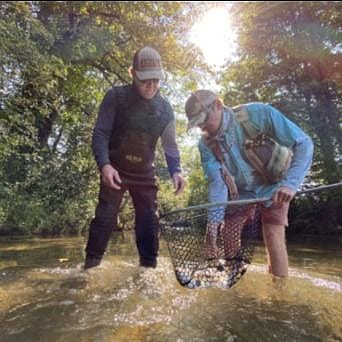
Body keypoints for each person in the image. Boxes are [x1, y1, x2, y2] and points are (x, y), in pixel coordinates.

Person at [185, 90, 313, 278]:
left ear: (218, 105)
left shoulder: (258, 113)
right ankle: (234, 287)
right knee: (227, 233)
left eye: (204, 119)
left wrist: (290, 185)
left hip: (276, 185)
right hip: (241, 193)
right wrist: (211, 230)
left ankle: (279, 296)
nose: (202, 127)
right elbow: (217, 185)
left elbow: (304, 143)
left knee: (273, 235)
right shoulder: (206, 145)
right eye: (197, 124)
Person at [84, 46, 186, 270]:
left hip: (144, 173)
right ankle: (89, 268)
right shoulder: (115, 97)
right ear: (132, 74)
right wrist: (105, 165)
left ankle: (147, 271)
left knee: (149, 222)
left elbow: (169, 145)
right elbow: (101, 133)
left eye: (156, 81)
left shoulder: (165, 110)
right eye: (145, 81)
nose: (151, 86)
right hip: (115, 168)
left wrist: (176, 170)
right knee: (105, 218)